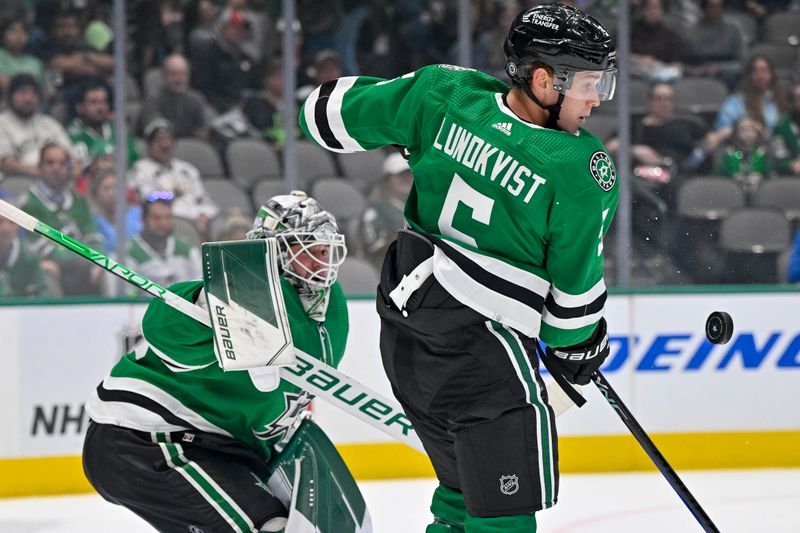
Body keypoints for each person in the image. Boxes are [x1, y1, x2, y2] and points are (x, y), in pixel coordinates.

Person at [299, 3, 617, 531]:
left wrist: (417, 127)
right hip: (480, 350)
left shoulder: (444, 93)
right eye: (587, 83)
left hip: (406, 329)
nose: (595, 99)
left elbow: (324, 117)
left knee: (462, 490)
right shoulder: (579, 167)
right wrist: (579, 348)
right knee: (503, 514)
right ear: (543, 79)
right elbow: (573, 297)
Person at [83, 191, 354, 532]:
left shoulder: (334, 308)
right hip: (144, 438)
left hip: (222, 448)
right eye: (309, 250)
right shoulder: (241, 295)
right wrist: (203, 305)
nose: (321, 262)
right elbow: (162, 328)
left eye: (325, 250)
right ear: (276, 251)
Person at [19, 142, 102, 295]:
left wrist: (96, 261)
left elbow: (92, 236)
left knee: (104, 270)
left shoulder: (78, 200)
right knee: (48, 271)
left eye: (62, 163)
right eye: (50, 163)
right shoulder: (28, 203)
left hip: (81, 264)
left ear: (69, 168)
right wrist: (77, 256)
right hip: (50, 264)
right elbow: (33, 244)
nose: (56, 168)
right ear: (40, 167)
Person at [130, 118, 219, 239]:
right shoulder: (140, 170)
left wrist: (203, 214)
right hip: (167, 223)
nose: (165, 145)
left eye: (168, 139)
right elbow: (150, 199)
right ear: (149, 145)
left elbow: (204, 199)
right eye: (159, 140)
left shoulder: (187, 169)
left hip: (198, 222)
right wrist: (172, 196)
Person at [0, 73, 75, 178]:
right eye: (22, 93)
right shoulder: (2, 123)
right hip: (15, 182)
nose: (28, 98)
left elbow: (70, 156)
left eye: (34, 93)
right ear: (10, 96)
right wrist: (41, 173)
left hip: (53, 181)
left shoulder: (49, 123)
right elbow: (4, 163)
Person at [126, 191, 202, 288]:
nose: (163, 223)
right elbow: (127, 294)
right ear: (144, 219)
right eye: (156, 218)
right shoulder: (130, 252)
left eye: (168, 217)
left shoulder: (187, 249)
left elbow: (200, 284)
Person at [67, 77, 139, 167]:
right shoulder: (71, 135)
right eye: (93, 102)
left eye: (103, 102)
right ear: (79, 107)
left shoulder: (120, 130)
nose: (100, 108)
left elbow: (133, 163)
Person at [139, 53, 211, 140]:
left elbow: (202, 130)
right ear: (164, 75)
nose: (178, 79)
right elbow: (155, 130)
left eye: (182, 74)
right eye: (173, 74)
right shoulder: (153, 100)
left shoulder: (196, 99)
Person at [360, 151, 413, 269]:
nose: (406, 178)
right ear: (387, 179)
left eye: (409, 173)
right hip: (385, 268)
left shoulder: (416, 206)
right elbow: (372, 248)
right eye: (400, 174)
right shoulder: (375, 209)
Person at [715, 54, 789, 134]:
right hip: (746, 144)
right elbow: (721, 130)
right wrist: (741, 126)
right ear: (748, 76)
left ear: (772, 75)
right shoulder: (735, 102)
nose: (760, 76)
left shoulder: (780, 100)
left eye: (764, 71)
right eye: (755, 72)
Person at [0, 190, 50, 298]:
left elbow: (41, 293)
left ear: (18, 225)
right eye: (0, 222)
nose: (5, 228)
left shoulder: (30, 255)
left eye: (11, 222)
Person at [88, 167, 142, 255]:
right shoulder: (92, 222)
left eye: (116, 187)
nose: (112, 193)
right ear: (96, 194)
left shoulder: (139, 215)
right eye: (106, 189)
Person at [772, 80, 800, 176]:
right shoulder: (781, 127)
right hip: (792, 175)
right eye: (798, 98)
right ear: (791, 102)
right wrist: (791, 164)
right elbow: (780, 159)